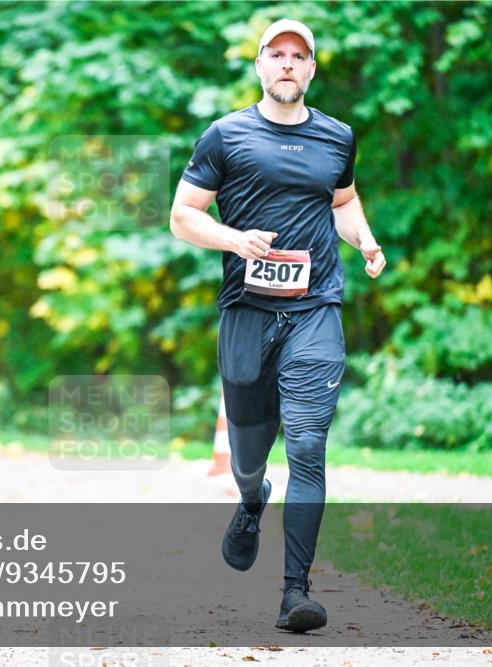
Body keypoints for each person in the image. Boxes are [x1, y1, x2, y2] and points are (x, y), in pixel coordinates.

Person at [169, 19, 385, 633]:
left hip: (315, 309)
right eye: (277, 54)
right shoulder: (226, 135)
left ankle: (296, 592)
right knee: (246, 454)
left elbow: (342, 203)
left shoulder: (337, 137)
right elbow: (183, 216)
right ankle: (249, 498)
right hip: (246, 311)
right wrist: (237, 241)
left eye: (299, 56)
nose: (288, 64)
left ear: (312, 69)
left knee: (310, 447)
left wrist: (365, 239)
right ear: (260, 65)